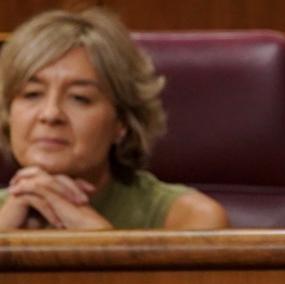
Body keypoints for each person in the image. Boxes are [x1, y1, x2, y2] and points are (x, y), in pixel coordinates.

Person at [0, 8, 227, 231]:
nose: (50, 114)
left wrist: (98, 238)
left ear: (122, 122)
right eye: (32, 94)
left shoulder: (191, 219)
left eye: (80, 98)